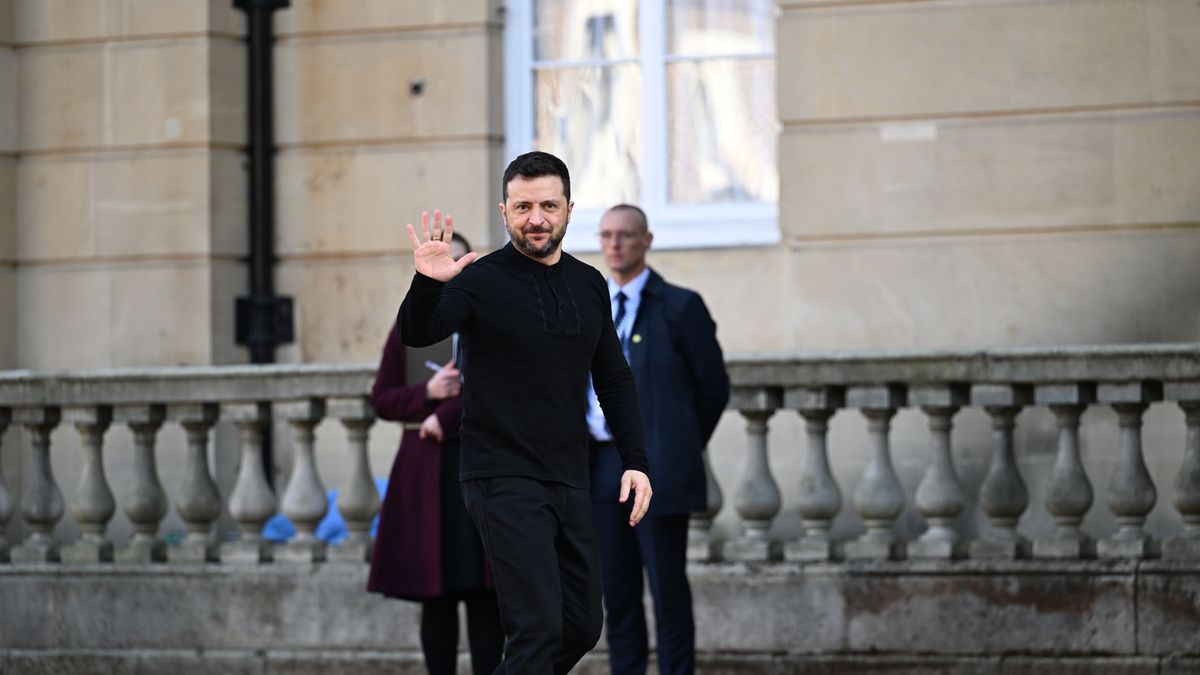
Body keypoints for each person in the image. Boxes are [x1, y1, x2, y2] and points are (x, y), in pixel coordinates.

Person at [397, 151, 654, 675]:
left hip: (568, 474)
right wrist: (427, 281)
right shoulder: (479, 279)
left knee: (580, 625)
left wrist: (636, 459)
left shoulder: (588, 284)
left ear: (568, 208)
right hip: (501, 475)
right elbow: (418, 333)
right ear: (505, 211)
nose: (536, 218)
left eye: (547, 205)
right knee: (536, 629)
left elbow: (613, 377)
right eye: (522, 207)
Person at [587, 204, 729, 675]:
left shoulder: (680, 307)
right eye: (606, 235)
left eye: (625, 235)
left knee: (667, 591)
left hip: (657, 469)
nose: (615, 244)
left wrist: (676, 445)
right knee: (618, 595)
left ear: (646, 240)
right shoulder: (587, 307)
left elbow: (712, 389)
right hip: (600, 468)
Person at [367, 233, 504, 675]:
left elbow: (505, 391)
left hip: (479, 468)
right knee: (437, 597)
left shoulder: (492, 319)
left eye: (457, 262)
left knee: (485, 597)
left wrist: (444, 418)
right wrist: (427, 392)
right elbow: (383, 399)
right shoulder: (410, 325)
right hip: (425, 475)